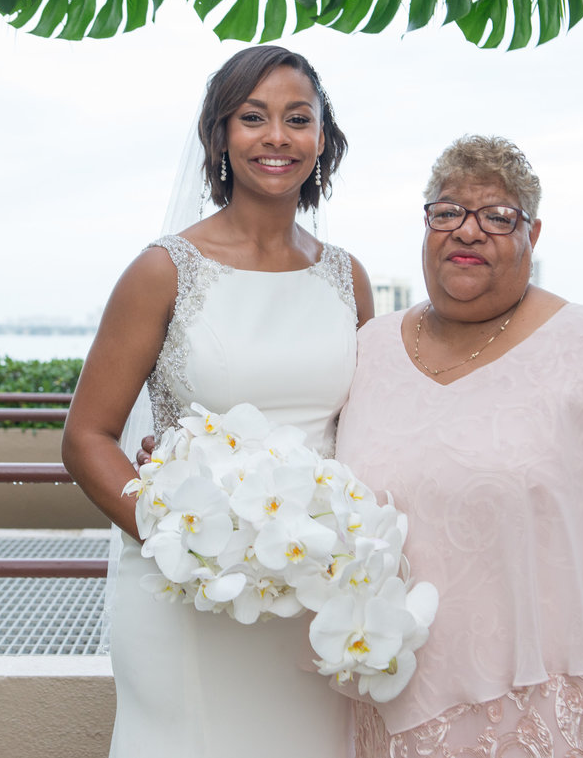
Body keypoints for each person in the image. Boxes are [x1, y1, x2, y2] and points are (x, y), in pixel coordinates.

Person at [335, 135, 583, 758]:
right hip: (389, 713)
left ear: (534, 232)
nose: (468, 232)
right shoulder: (370, 349)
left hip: (553, 717)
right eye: (448, 213)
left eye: (497, 216)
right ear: (426, 225)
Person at [61, 45, 375, 758]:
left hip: (309, 597)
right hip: (185, 594)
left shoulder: (345, 277)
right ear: (219, 136)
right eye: (252, 117)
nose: (276, 137)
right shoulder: (162, 270)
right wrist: (187, 544)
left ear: (321, 140)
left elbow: (370, 427)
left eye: (298, 119)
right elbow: (86, 437)